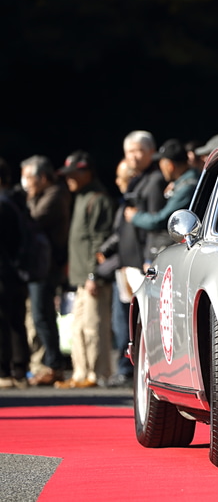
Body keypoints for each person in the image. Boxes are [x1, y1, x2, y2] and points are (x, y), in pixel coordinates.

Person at [54, 151, 115, 389]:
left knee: (93, 326)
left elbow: (98, 241)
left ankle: (97, 374)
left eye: (72, 173)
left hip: (92, 278)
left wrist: (93, 274)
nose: (68, 178)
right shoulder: (81, 196)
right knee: (78, 327)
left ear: (86, 172)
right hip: (80, 277)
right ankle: (81, 373)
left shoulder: (97, 199)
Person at [20, 155, 72, 386]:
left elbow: (33, 220)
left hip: (47, 265)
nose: (26, 183)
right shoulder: (45, 193)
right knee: (39, 315)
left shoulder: (55, 194)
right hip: (39, 265)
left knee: (43, 315)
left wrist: (29, 199)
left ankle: (54, 364)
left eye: (29, 177)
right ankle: (47, 363)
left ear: (42, 177)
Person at [97, 159, 137, 387]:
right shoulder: (125, 203)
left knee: (125, 321)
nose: (117, 181)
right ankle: (123, 368)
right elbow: (118, 233)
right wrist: (105, 249)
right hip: (122, 266)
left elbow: (127, 236)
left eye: (121, 176)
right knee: (120, 320)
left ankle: (126, 370)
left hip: (131, 265)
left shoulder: (134, 203)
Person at [118, 130, 168, 295]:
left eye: (138, 151)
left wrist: (148, 258)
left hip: (146, 262)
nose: (133, 156)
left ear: (151, 151)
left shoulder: (155, 180)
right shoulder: (137, 179)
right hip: (132, 262)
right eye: (129, 152)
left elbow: (156, 223)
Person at [124, 139, 200, 232]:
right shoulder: (182, 182)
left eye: (162, 162)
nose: (160, 167)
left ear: (170, 166)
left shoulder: (187, 186)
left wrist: (135, 217)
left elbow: (162, 220)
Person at [0, 159, 31, 389]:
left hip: (4, 270)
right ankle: (19, 370)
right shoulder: (16, 202)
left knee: (5, 321)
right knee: (16, 321)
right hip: (17, 270)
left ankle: (4, 371)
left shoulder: (3, 204)